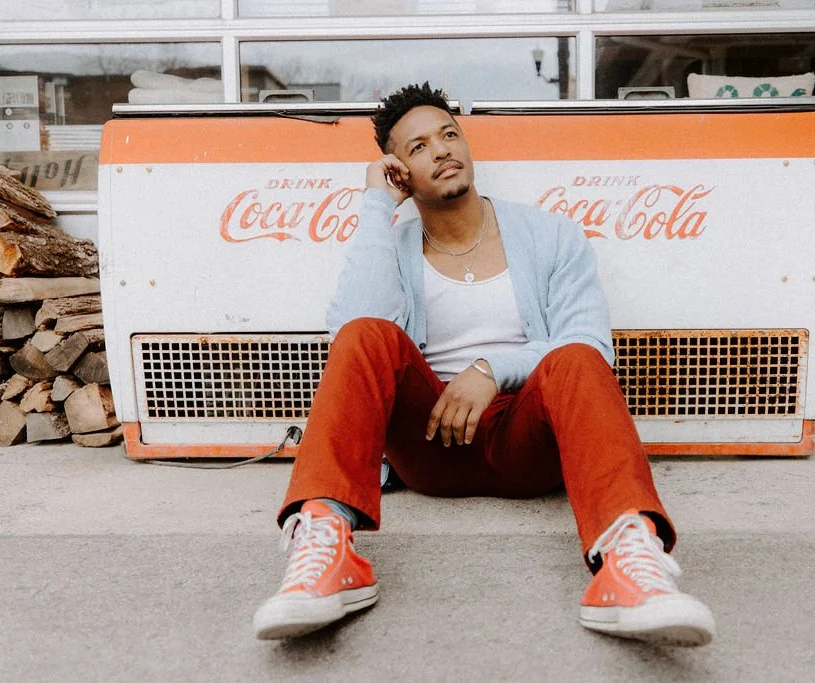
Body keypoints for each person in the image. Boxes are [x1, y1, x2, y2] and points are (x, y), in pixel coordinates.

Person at [252, 83, 716, 646]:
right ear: (398, 169)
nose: (442, 150)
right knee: (365, 333)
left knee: (574, 357)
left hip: (527, 441)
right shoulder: (393, 245)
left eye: (449, 135)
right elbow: (353, 333)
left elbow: (590, 345)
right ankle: (324, 549)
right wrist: (376, 207)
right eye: (419, 146)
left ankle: (629, 561)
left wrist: (492, 367)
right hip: (431, 447)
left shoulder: (550, 236)